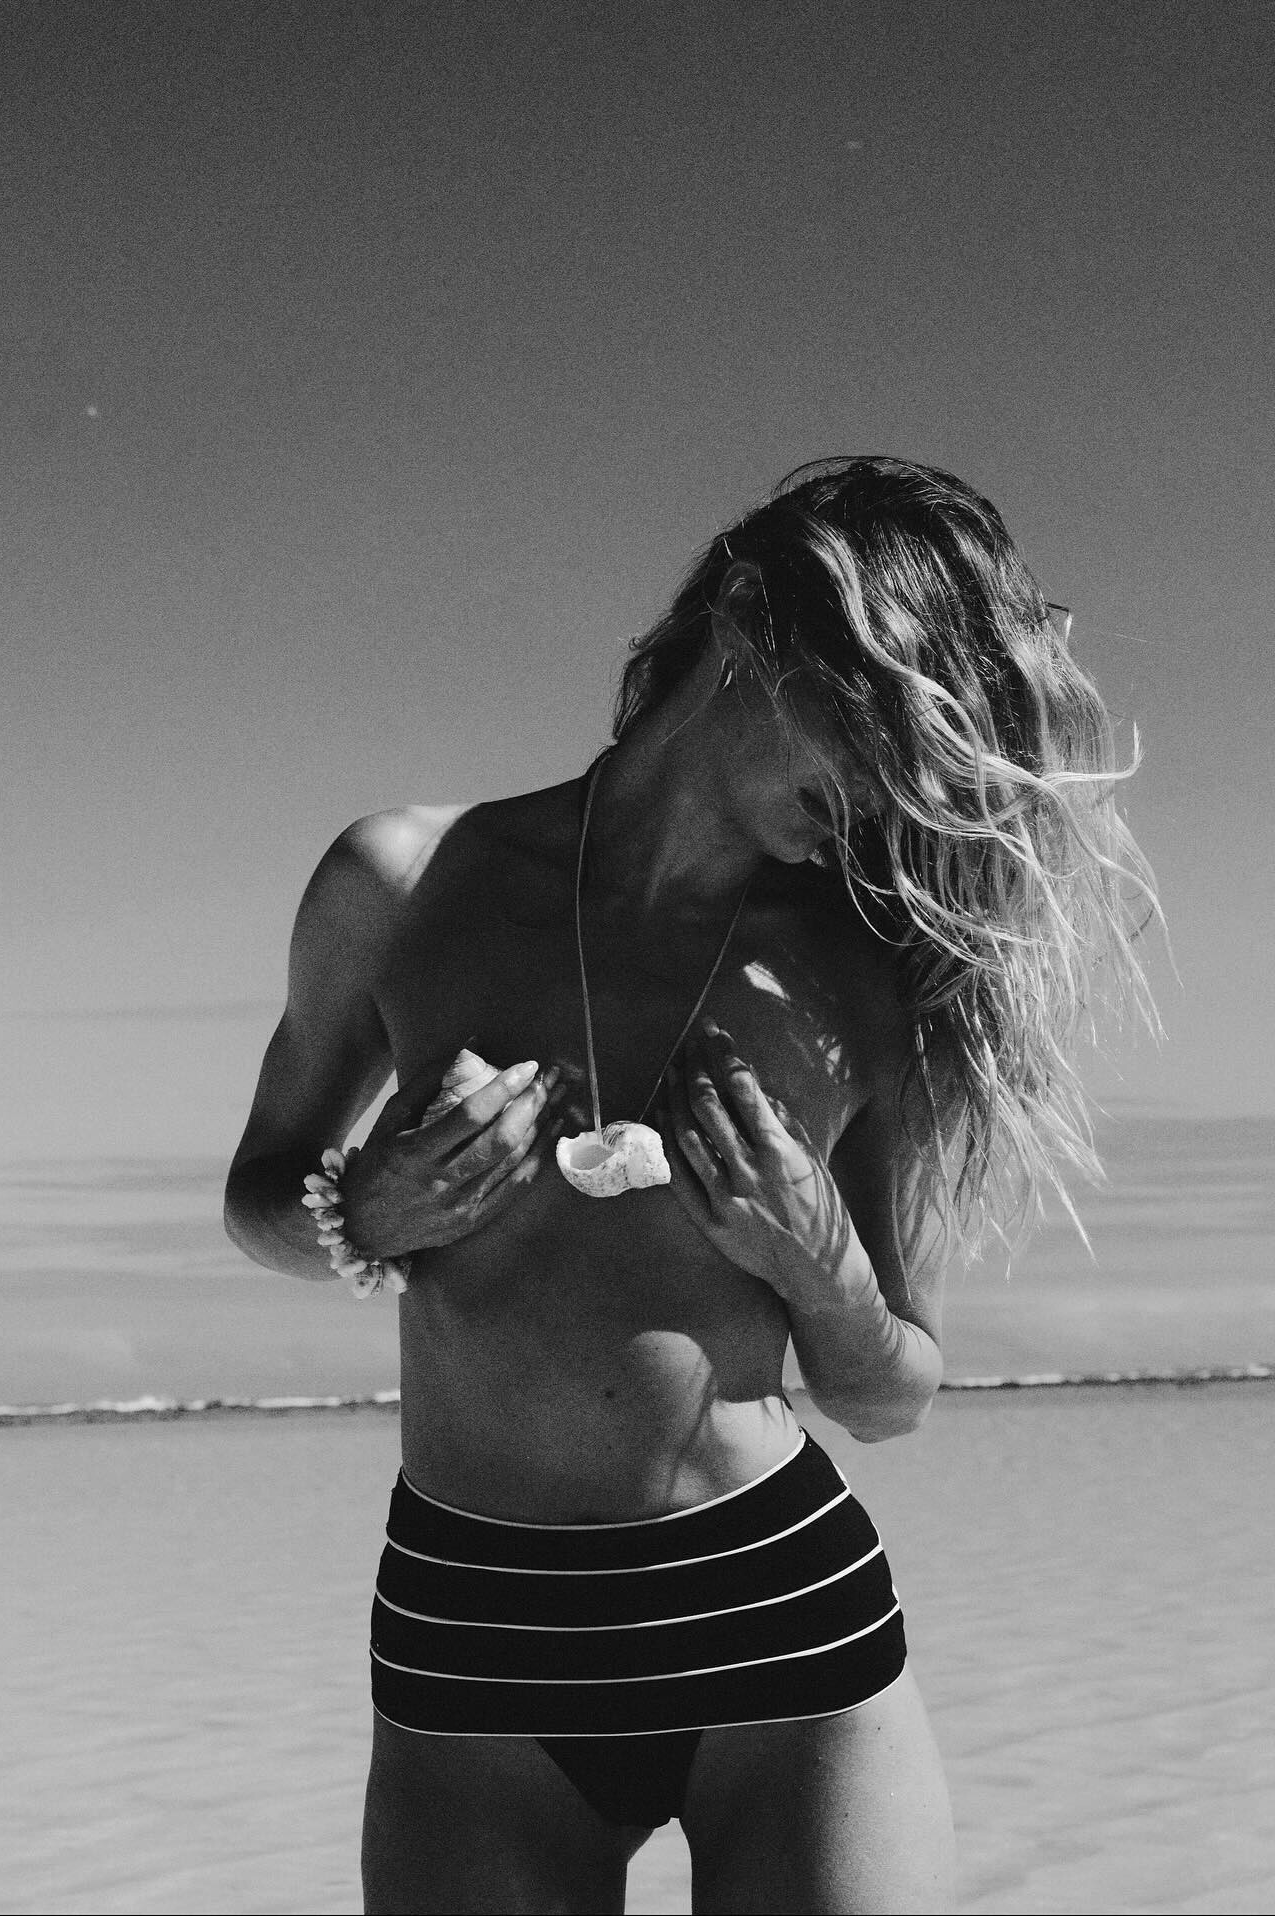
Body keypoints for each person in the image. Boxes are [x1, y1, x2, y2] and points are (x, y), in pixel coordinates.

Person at [225, 455, 1159, 1914]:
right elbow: (256, 1196)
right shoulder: (402, 881)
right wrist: (365, 1214)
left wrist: (821, 1268)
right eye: (881, 727)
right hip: (474, 1639)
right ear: (749, 621)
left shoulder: (858, 966)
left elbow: (891, 1393)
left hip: (775, 1617)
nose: (893, 791)